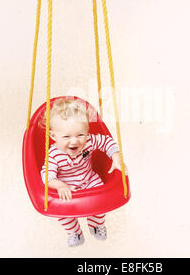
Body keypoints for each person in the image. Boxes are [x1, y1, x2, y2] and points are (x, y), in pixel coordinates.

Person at [39, 98, 128, 247]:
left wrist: (116, 158)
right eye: (66, 136)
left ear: (87, 132)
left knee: (101, 203)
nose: (74, 142)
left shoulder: (89, 141)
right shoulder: (53, 154)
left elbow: (107, 141)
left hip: (90, 179)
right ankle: (75, 232)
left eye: (80, 135)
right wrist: (60, 185)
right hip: (67, 187)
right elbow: (47, 176)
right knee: (63, 213)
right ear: (53, 136)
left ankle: (95, 224)